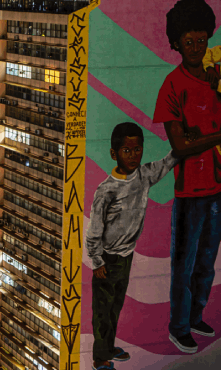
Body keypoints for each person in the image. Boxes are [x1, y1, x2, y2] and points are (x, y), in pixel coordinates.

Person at [153, 0, 221, 354]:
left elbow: (197, 136)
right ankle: (179, 327)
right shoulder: (171, 85)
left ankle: (196, 317)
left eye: (201, 40)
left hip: (218, 187)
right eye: (188, 41)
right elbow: (179, 145)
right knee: (184, 264)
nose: (196, 47)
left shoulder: (214, 80)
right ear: (176, 43)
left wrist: (202, 137)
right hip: (189, 193)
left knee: (207, 262)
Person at [86, 122, 180, 370]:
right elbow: (94, 230)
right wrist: (97, 261)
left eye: (137, 149)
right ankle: (99, 358)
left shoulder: (144, 175)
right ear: (113, 153)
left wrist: (182, 145)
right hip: (107, 259)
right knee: (102, 312)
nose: (133, 155)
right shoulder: (106, 190)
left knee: (116, 307)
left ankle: (109, 347)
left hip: (126, 257)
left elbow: (168, 162)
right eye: (126, 151)